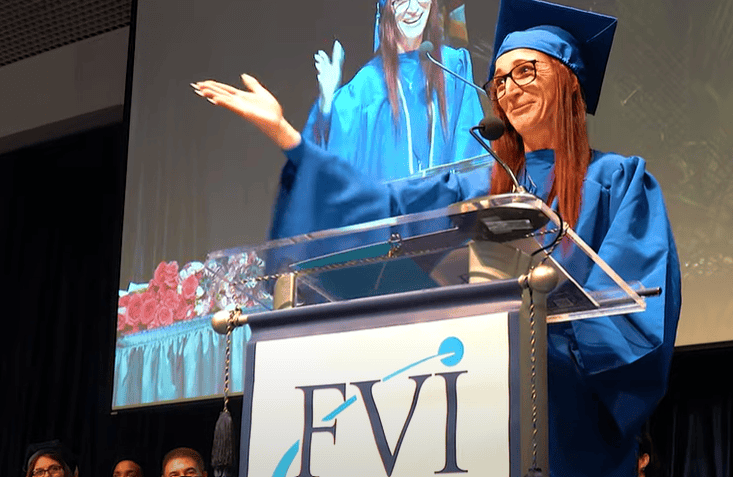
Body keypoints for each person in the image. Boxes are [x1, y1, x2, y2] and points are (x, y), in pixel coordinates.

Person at [194, 0, 680, 475]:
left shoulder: (620, 183)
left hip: (569, 425)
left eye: (527, 71)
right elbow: (382, 209)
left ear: (569, 80)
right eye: (501, 80)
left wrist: (537, 353)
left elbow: (636, 317)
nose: (509, 90)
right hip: (468, 410)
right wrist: (288, 137)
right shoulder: (474, 187)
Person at [302, 0, 485, 185]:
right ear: (385, 9)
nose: (413, 9)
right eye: (402, 1)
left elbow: (471, 151)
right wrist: (326, 104)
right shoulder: (368, 84)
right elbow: (334, 160)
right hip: (392, 211)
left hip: (448, 208)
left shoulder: (454, 66)